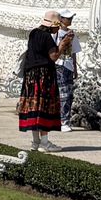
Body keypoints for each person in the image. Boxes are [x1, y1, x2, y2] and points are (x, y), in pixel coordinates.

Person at [17, 13, 62, 142]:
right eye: (57, 26)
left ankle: (36, 141)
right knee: (44, 107)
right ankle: (45, 142)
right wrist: (63, 45)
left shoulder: (34, 33)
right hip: (44, 75)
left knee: (33, 107)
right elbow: (53, 56)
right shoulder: (47, 37)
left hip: (30, 75)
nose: (57, 29)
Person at [54, 13, 78, 130]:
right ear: (61, 19)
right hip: (57, 65)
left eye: (71, 18)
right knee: (62, 94)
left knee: (68, 94)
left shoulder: (72, 34)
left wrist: (75, 68)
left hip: (68, 65)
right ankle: (62, 121)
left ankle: (65, 120)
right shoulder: (55, 33)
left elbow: (73, 52)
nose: (70, 20)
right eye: (68, 18)